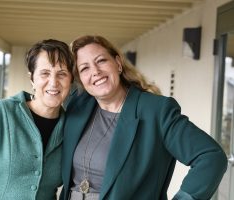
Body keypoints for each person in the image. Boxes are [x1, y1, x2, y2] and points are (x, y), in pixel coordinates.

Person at [60, 35, 228, 200]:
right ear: (80, 79)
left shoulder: (155, 110)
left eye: (101, 61)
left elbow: (210, 156)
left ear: (118, 64)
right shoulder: (78, 106)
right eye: (84, 68)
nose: (95, 72)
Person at [0, 39, 74, 200]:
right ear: (32, 79)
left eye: (62, 74)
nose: (53, 82)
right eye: (44, 73)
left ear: (71, 80)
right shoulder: (0, 114)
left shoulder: (72, 128)